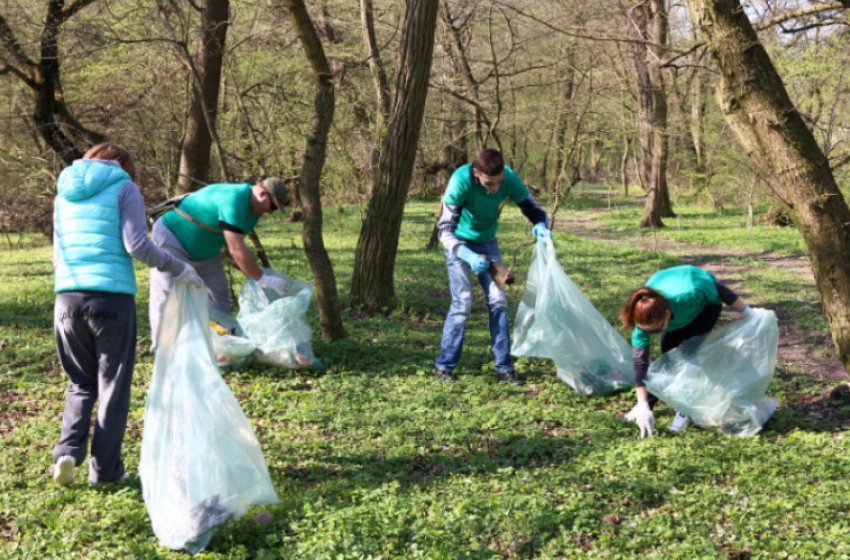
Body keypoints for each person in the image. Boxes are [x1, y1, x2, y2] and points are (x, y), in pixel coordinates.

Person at [52, 142, 201, 486]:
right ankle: (105, 472)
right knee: (112, 388)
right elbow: (136, 244)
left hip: (67, 298)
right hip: (111, 299)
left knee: (79, 384)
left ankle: (67, 453)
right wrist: (177, 267)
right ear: (122, 164)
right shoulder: (125, 187)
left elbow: (58, 253)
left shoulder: (63, 191)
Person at [434, 148, 551, 385]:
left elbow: (533, 208)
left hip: (487, 243)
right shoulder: (460, 181)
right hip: (459, 243)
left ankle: (504, 367)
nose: (495, 188)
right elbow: (444, 230)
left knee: (498, 301)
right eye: (489, 183)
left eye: (498, 183)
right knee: (463, 303)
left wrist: (541, 224)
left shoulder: (508, 177)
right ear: (476, 172)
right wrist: (465, 253)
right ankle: (444, 367)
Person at [148, 177, 290, 346]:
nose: (271, 212)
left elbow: (235, 247)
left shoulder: (253, 214)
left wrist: (254, 276)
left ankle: (220, 345)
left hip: (206, 253)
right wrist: (262, 278)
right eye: (273, 206)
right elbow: (236, 250)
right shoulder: (233, 199)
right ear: (262, 193)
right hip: (172, 239)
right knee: (166, 292)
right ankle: (161, 347)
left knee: (218, 293)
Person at [620, 264, 754, 438]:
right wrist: (642, 404)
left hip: (705, 306)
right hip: (673, 307)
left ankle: (684, 412)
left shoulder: (690, 291)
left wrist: (749, 313)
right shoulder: (644, 318)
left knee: (688, 358)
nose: (651, 333)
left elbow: (720, 290)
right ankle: (646, 405)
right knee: (668, 358)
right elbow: (640, 364)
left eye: (655, 330)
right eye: (648, 331)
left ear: (667, 315)